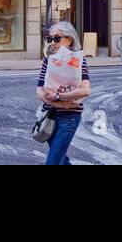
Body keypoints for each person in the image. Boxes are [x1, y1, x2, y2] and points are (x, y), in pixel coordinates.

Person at [36, 21, 91, 166]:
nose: (53, 42)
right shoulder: (48, 60)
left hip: (69, 118)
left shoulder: (79, 61)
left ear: (69, 38)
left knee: (53, 161)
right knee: (61, 160)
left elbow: (86, 90)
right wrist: (57, 102)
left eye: (56, 38)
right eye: (50, 39)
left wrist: (60, 96)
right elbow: (39, 91)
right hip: (49, 117)